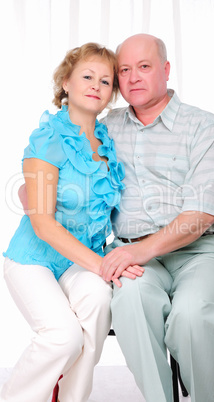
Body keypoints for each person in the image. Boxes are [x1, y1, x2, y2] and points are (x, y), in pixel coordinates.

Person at [1, 42, 143, 402]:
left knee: (98, 302)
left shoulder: (109, 143)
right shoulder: (49, 138)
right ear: (66, 82)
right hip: (34, 258)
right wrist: (105, 266)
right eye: (87, 76)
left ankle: (70, 399)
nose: (96, 85)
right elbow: (44, 225)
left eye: (106, 81)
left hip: (80, 260)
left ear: (112, 93)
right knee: (63, 335)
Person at [99, 34, 214, 402]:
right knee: (129, 303)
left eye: (144, 67)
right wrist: (34, 189)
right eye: (124, 70)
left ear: (166, 70)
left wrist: (137, 252)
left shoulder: (203, 127)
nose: (133, 77)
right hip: (134, 257)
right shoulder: (106, 128)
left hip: (199, 253)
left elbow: (202, 214)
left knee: (192, 319)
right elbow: (64, 168)